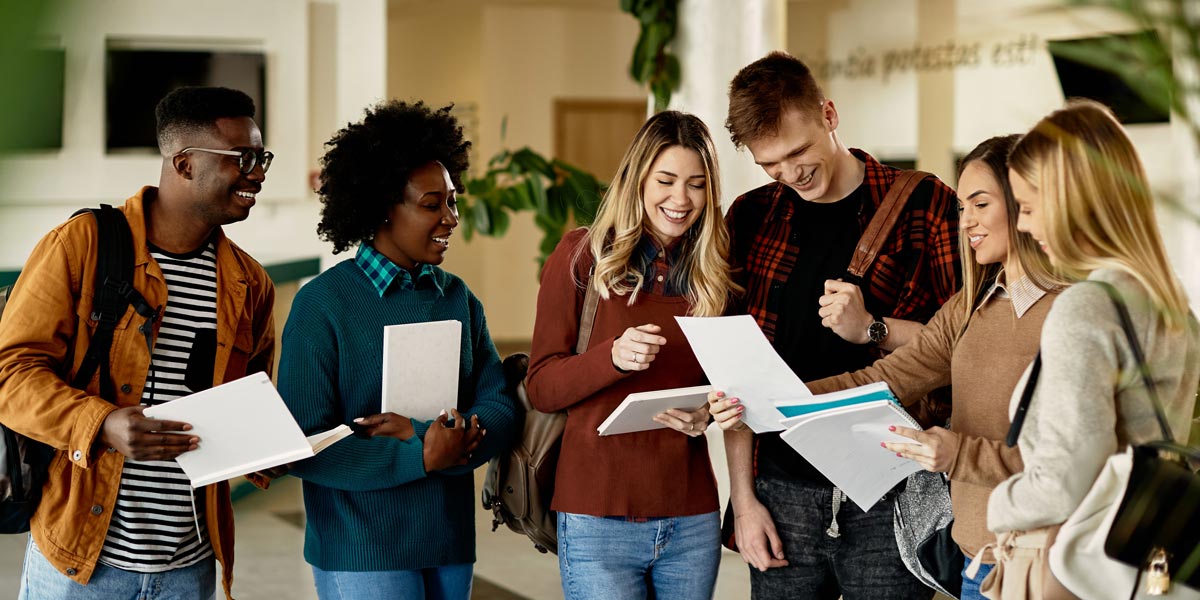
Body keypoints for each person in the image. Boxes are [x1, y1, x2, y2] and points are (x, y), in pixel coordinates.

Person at [712, 134, 1062, 598]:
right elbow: (886, 378)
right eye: (962, 209)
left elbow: (1070, 460)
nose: (966, 223)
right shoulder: (971, 304)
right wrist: (766, 403)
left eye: (980, 204)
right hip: (979, 558)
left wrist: (956, 453)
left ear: (1027, 203)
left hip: (1047, 555)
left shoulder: (1069, 310)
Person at [0, 86, 280, 599]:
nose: (258, 173)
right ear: (185, 163)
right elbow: (9, 374)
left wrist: (274, 446)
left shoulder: (249, 283)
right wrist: (101, 423)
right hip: (81, 564)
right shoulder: (82, 244)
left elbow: (250, 398)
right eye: (242, 158)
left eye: (261, 157)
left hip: (190, 566)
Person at [715, 51, 961, 599]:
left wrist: (874, 328)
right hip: (779, 490)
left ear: (829, 114)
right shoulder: (752, 217)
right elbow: (735, 374)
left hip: (892, 489)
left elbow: (965, 348)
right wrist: (745, 498)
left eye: (798, 151)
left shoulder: (926, 205)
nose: (790, 174)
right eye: (770, 165)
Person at [276, 99, 518, 600]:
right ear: (383, 205)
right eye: (433, 205)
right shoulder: (322, 305)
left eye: (453, 201)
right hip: (361, 549)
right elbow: (303, 447)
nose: (451, 218)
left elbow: (499, 404)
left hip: (447, 542)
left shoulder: (457, 299)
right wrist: (422, 454)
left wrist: (432, 437)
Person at [985, 99, 1200, 597]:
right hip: (1143, 559)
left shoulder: (1087, 307)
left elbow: (1064, 480)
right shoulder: (1172, 304)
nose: (1022, 226)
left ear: (1072, 203)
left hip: (1069, 563)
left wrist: (999, 505)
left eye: (1031, 208)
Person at [524, 110, 740, 600]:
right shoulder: (582, 257)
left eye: (696, 184)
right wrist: (612, 358)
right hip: (596, 516)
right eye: (665, 180)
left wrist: (707, 412)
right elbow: (542, 386)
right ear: (637, 178)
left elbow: (729, 381)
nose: (681, 199)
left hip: (691, 517)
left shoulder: (716, 272)